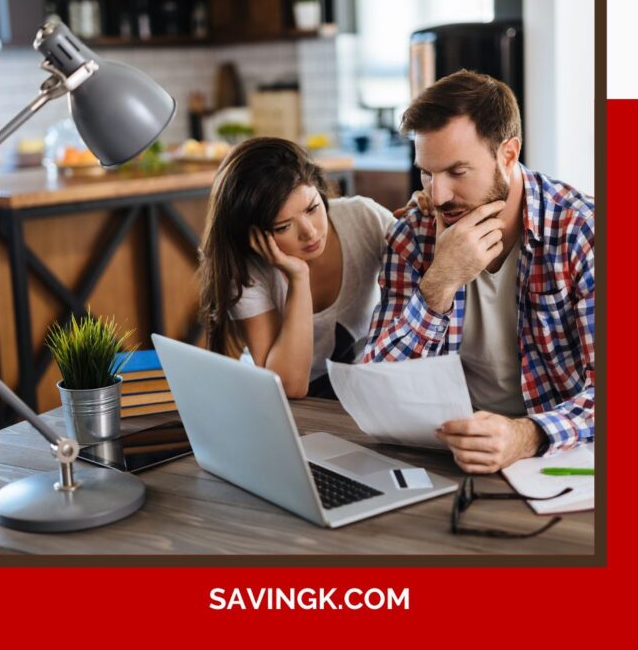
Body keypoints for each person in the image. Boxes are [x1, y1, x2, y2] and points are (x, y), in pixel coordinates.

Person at [364, 70, 594, 473]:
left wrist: (526, 435)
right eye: (427, 173)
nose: (438, 196)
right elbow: (374, 390)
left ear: (508, 154)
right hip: (445, 455)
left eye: (457, 172)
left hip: (558, 457)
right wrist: (439, 282)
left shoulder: (582, 232)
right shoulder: (411, 235)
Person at [199, 137, 394, 398]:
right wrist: (298, 277)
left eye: (312, 208)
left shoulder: (364, 218)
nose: (310, 232)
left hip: (359, 395)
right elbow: (289, 386)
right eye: (283, 227)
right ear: (253, 234)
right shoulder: (247, 272)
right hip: (283, 405)